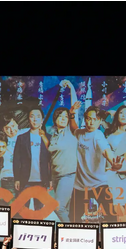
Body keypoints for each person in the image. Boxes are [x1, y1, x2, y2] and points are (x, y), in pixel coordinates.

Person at [72, 106, 117, 222]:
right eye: (88, 118)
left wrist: (113, 162)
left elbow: (106, 151)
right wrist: (71, 115)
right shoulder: (79, 133)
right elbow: (73, 128)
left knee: (112, 217)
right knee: (73, 218)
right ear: (85, 119)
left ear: (99, 121)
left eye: (94, 119)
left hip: (98, 183)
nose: (91, 122)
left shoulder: (98, 135)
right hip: (80, 185)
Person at [46, 82, 80, 222]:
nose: (63, 119)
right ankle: (69, 231)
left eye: (66, 117)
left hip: (68, 175)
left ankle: (70, 232)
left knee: (58, 207)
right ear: (55, 119)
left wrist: (71, 87)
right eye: (60, 116)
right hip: (56, 176)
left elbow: (74, 110)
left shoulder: (71, 131)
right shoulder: (52, 134)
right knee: (64, 209)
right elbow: (50, 156)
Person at [13, 107, 52, 212]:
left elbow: (51, 161)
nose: (35, 119)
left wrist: (50, 179)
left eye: (38, 117)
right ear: (28, 119)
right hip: (24, 180)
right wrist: (17, 178)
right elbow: (16, 160)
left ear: (42, 120)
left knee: (39, 211)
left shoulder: (48, 138)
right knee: (22, 210)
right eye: (32, 116)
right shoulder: (21, 138)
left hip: (42, 180)